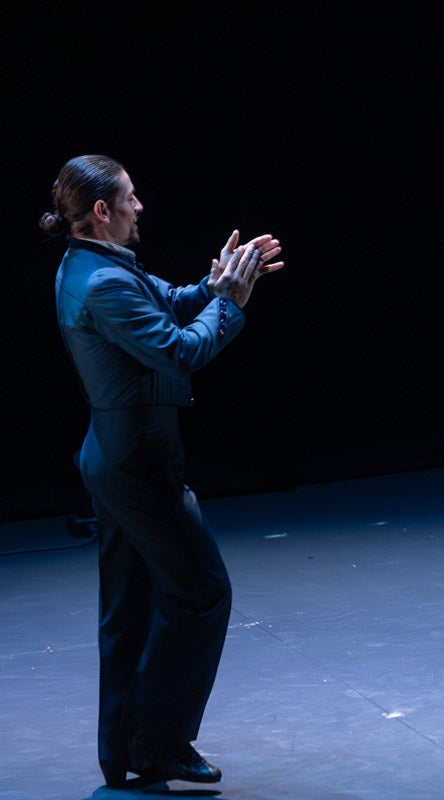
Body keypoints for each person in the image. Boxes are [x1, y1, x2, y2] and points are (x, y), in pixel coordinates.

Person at [40, 154, 284, 788]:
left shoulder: (95, 264)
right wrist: (229, 304)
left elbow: (168, 305)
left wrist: (213, 285)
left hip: (117, 457)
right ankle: (161, 742)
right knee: (201, 593)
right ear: (102, 210)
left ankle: (122, 748)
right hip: (138, 465)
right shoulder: (101, 282)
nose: (140, 205)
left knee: (129, 606)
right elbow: (180, 352)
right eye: (130, 197)